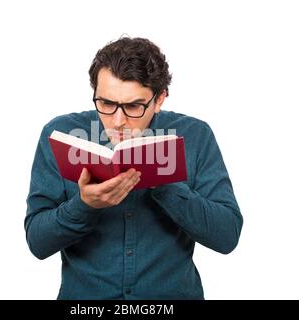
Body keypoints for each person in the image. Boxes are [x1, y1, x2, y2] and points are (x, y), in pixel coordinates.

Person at [24, 37, 243, 300]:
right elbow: (37, 242)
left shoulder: (195, 136)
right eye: (106, 103)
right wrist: (84, 205)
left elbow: (226, 235)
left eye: (133, 106)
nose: (118, 121)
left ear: (159, 99)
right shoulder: (61, 135)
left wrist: (164, 183)